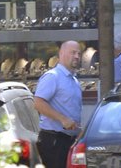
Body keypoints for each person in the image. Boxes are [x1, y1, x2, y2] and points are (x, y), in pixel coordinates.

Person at [34, 40, 83, 168]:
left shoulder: (74, 80)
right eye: (73, 53)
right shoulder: (53, 76)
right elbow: (38, 103)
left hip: (70, 141)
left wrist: (79, 131)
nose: (77, 56)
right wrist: (63, 119)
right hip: (54, 141)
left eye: (79, 53)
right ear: (61, 54)